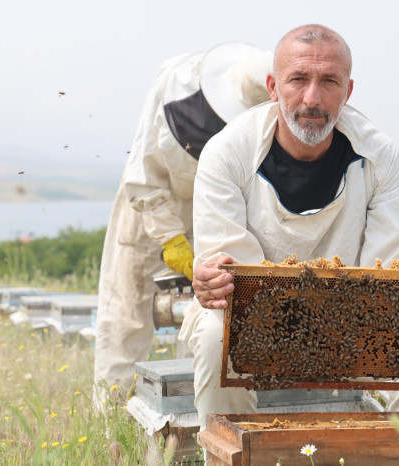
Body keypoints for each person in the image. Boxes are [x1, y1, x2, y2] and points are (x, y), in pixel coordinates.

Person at [178, 24, 399, 429]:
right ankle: (229, 451)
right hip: (255, 316)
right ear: (273, 87)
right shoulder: (227, 153)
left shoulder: (379, 153)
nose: (312, 98)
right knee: (215, 335)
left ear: (348, 91)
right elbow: (226, 265)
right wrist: (211, 279)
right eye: (298, 79)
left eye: (329, 81)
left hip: (353, 314)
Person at [93, 42, 273, 398]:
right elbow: (143, 173)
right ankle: (111, 415)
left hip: (215, 207)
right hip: (149, 200)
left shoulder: (266, 116)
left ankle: (188, 410)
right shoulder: (177, 79)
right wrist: (171, 238)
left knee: (208, 312)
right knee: (125, 315)